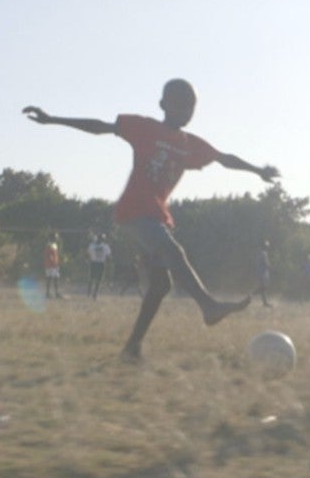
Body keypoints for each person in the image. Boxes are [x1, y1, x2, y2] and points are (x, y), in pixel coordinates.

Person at [23, 78, 277, 362]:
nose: (186, 110)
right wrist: (52, 119)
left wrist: (257, 171)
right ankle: (208, 306)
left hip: (156, 216)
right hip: (134, 213)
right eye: (180, 104)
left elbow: (224, 158)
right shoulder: (144, 128)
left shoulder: (190, 145)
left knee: (160, 286)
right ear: (163, 105)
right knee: (172, 250)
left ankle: (131, 349)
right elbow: (100, 127)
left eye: (191, 105)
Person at [87, 233, 112, 301]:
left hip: (97, 263)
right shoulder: (104, 246)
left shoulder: (92, 245)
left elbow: (88, 254)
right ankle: (91, 292)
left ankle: (93, 293)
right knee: (94, 279)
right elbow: (108, 256)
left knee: (96, 279)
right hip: (97, 263)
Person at [44, 232, 63, 299]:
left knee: (56, 278)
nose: (57, 238)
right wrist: (52, 262)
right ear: (52, 238)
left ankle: (56, 293)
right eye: (56, 237)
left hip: (54, 264)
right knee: (50, 278)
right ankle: (48, 293)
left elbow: (55, 255)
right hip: (51, 265)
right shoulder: (49, 244)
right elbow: (49, 255)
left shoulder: (54, 244)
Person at [255, 240, 272, 308]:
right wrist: (270, 267)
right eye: (267, 246)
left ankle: (264, 302)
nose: (268, 247)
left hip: (261, 272)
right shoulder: (264, 253)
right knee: (263, 287)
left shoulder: (260, 252)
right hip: (263, 273)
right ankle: (252, 295)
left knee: (263, 288)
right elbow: (266, 263)